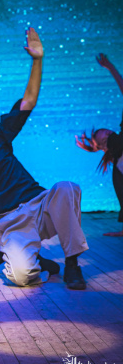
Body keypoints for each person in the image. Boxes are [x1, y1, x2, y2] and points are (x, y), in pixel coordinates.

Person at [0, 28, 89, 290]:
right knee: (20, 277)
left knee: (67, 188)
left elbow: (27, 103)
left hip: (38, 205)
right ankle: (39, 263)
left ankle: (72, 263)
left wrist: (37, 60)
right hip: (11, 225)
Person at [75, 53, 123, 237]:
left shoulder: (117, 139)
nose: (107, 134)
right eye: (103, 139)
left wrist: (110, 67)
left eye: (107, 133)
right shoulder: (116, 164)